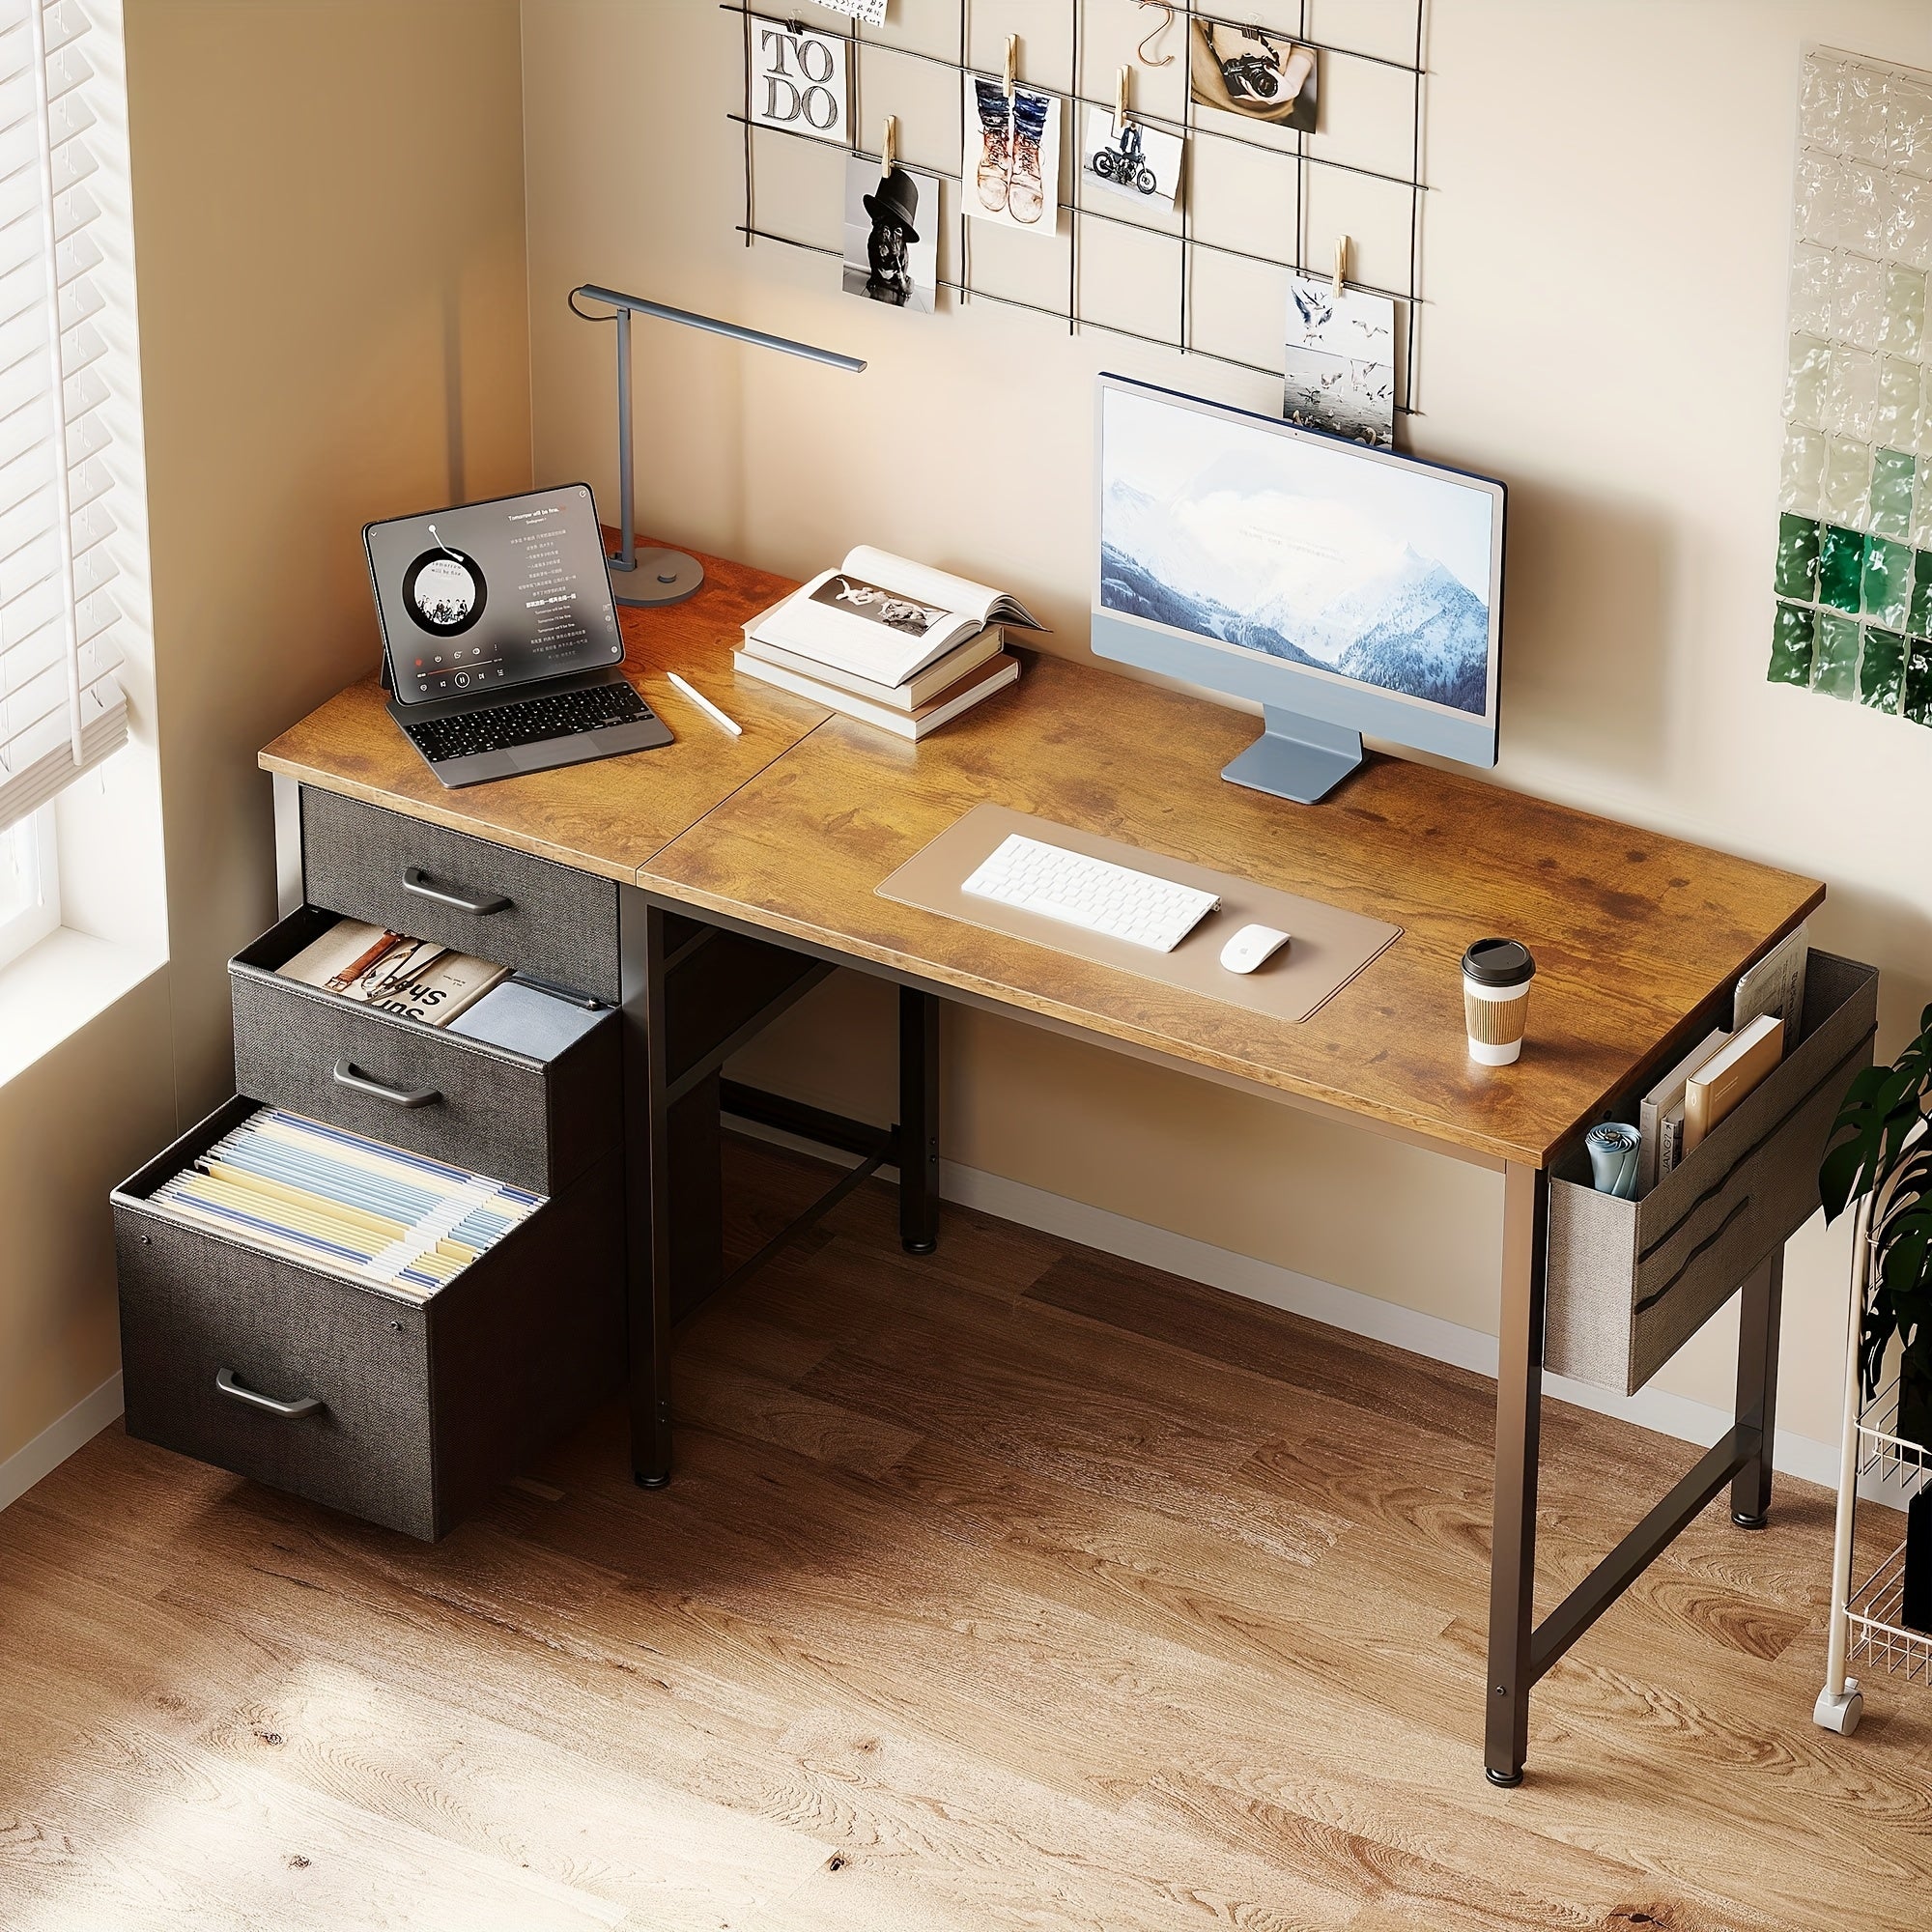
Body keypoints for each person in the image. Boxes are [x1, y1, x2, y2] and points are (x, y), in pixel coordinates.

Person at [862, 165, 921, 306]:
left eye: (897, 231)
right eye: (884, 228)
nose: (887, 234)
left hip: (896, 275)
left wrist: (901, 279)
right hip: (879, 273)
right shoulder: (874, 239)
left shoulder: (901, 250)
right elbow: (872, 255)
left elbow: (902, 263)